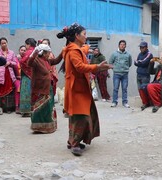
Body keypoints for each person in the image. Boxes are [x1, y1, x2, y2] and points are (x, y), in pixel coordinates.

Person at [56, 23, 112, 156]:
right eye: (84, 34)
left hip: (79, 88)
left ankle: (72, 141)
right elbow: (80, 67)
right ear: (76, 36)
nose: (86, 37)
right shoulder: (74, 50)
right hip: (77, 89)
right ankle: (74, 144)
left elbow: (84, 49)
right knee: (81, 116)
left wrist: (88, 49)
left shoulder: (73, 48)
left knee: (78, 115)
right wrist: (97, 67)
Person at [28, 44, 62, 133]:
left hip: (48, 87)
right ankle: (39, 127)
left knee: (48, 108)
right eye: (48, 53)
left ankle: (48, 127)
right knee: (39, 109)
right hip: (39, 88)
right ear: (43, 53)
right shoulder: (36, 60)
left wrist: (63, 52)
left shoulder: (47, 61)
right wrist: (35, 52)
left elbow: (56, 60)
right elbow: (29, 62)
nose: (49, 55)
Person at [0, 37, 20, 115]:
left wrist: (10, 63)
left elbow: (15, 63)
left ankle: (8, 107)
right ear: (0, 44)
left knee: (9, 91)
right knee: (1, 91)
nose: (4, 44)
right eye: (2, 43)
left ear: (7, 43)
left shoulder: (11, 53)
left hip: (9, 74)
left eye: (5, 43)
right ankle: (1, 107)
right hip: (0, 74)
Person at [109, 40, 132, 108]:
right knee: (115, 88)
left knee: (124, 89)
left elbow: (130, 64)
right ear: (118, 45)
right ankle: (114, 102)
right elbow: (110, 62)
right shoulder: (114, 54)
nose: (122, 45)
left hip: (125, 74)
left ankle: (125, 102)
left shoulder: (128, 54)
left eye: (123, 44)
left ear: (125, 46)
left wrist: (125, 68)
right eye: (121, 44)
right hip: (116, 74)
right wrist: (115, 68)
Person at [19, 38, 37, 117]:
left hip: (27, 75)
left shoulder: (29, 52)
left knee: (26, 92)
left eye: (26, 44)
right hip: (35, 75)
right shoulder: (36, 51)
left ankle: (27, 110)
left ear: (28, 44)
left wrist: (20, 59)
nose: (25, 46)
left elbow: (23, 61)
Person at [134, 41, 153, 110]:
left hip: (145, 75)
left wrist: (139, 62)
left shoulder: (149, 54)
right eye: (140, 47)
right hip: (138, 74)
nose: (141, 49)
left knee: (145, 89)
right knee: (140, 89)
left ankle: (147, 102)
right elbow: (135, 62)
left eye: (143, 47)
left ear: (146, 47)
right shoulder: (139, 54)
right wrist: (139, 62)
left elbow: (144, 63)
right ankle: (144, 102)